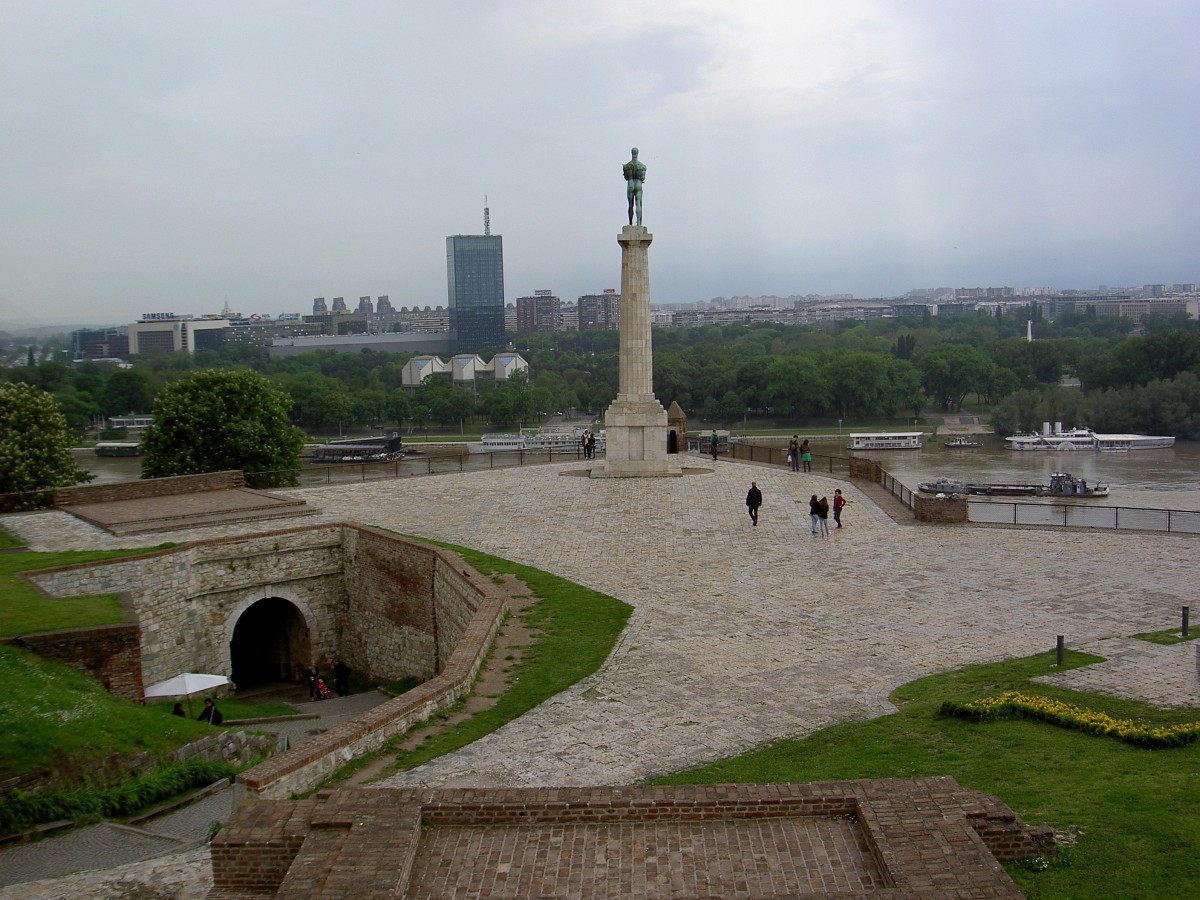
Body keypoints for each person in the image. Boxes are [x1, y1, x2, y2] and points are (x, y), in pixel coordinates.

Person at [622, 147, 646, 226]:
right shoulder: (642, 166)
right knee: (638, 203)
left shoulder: (627, 165)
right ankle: (638, 223)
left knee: (630, 204)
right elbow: (643, 178)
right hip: (638, 184)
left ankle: (630, 222)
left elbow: (625, 177)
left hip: (631, 183)